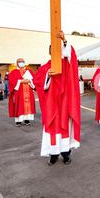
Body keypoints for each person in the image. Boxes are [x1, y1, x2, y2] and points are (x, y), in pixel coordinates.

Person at [34, 30, 81, 166]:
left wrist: (64, 40)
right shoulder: (44, 68)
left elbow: (72, 57)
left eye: (58, 50)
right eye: (52, 50)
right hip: (51, 105)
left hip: (64, 104)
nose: (55, 53)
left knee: (64, 128)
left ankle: (66, 155)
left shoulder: (66, 65)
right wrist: (48, 75)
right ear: (49, 52)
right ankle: (53, 155)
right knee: (53, 130)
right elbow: (38, 83)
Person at [8, 58, 36, 127]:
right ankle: (18, 121)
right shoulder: (13, 72)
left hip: (28, 92)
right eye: (20, 62)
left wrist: (30, 81)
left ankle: (27, 120)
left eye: (22, 61)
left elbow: (34, 80)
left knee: (28, 106)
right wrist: (20, 81)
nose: (21, 63)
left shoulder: (29, 71)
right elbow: (11, 81)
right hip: (19, 93)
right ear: (17, 63)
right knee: (19, 105)